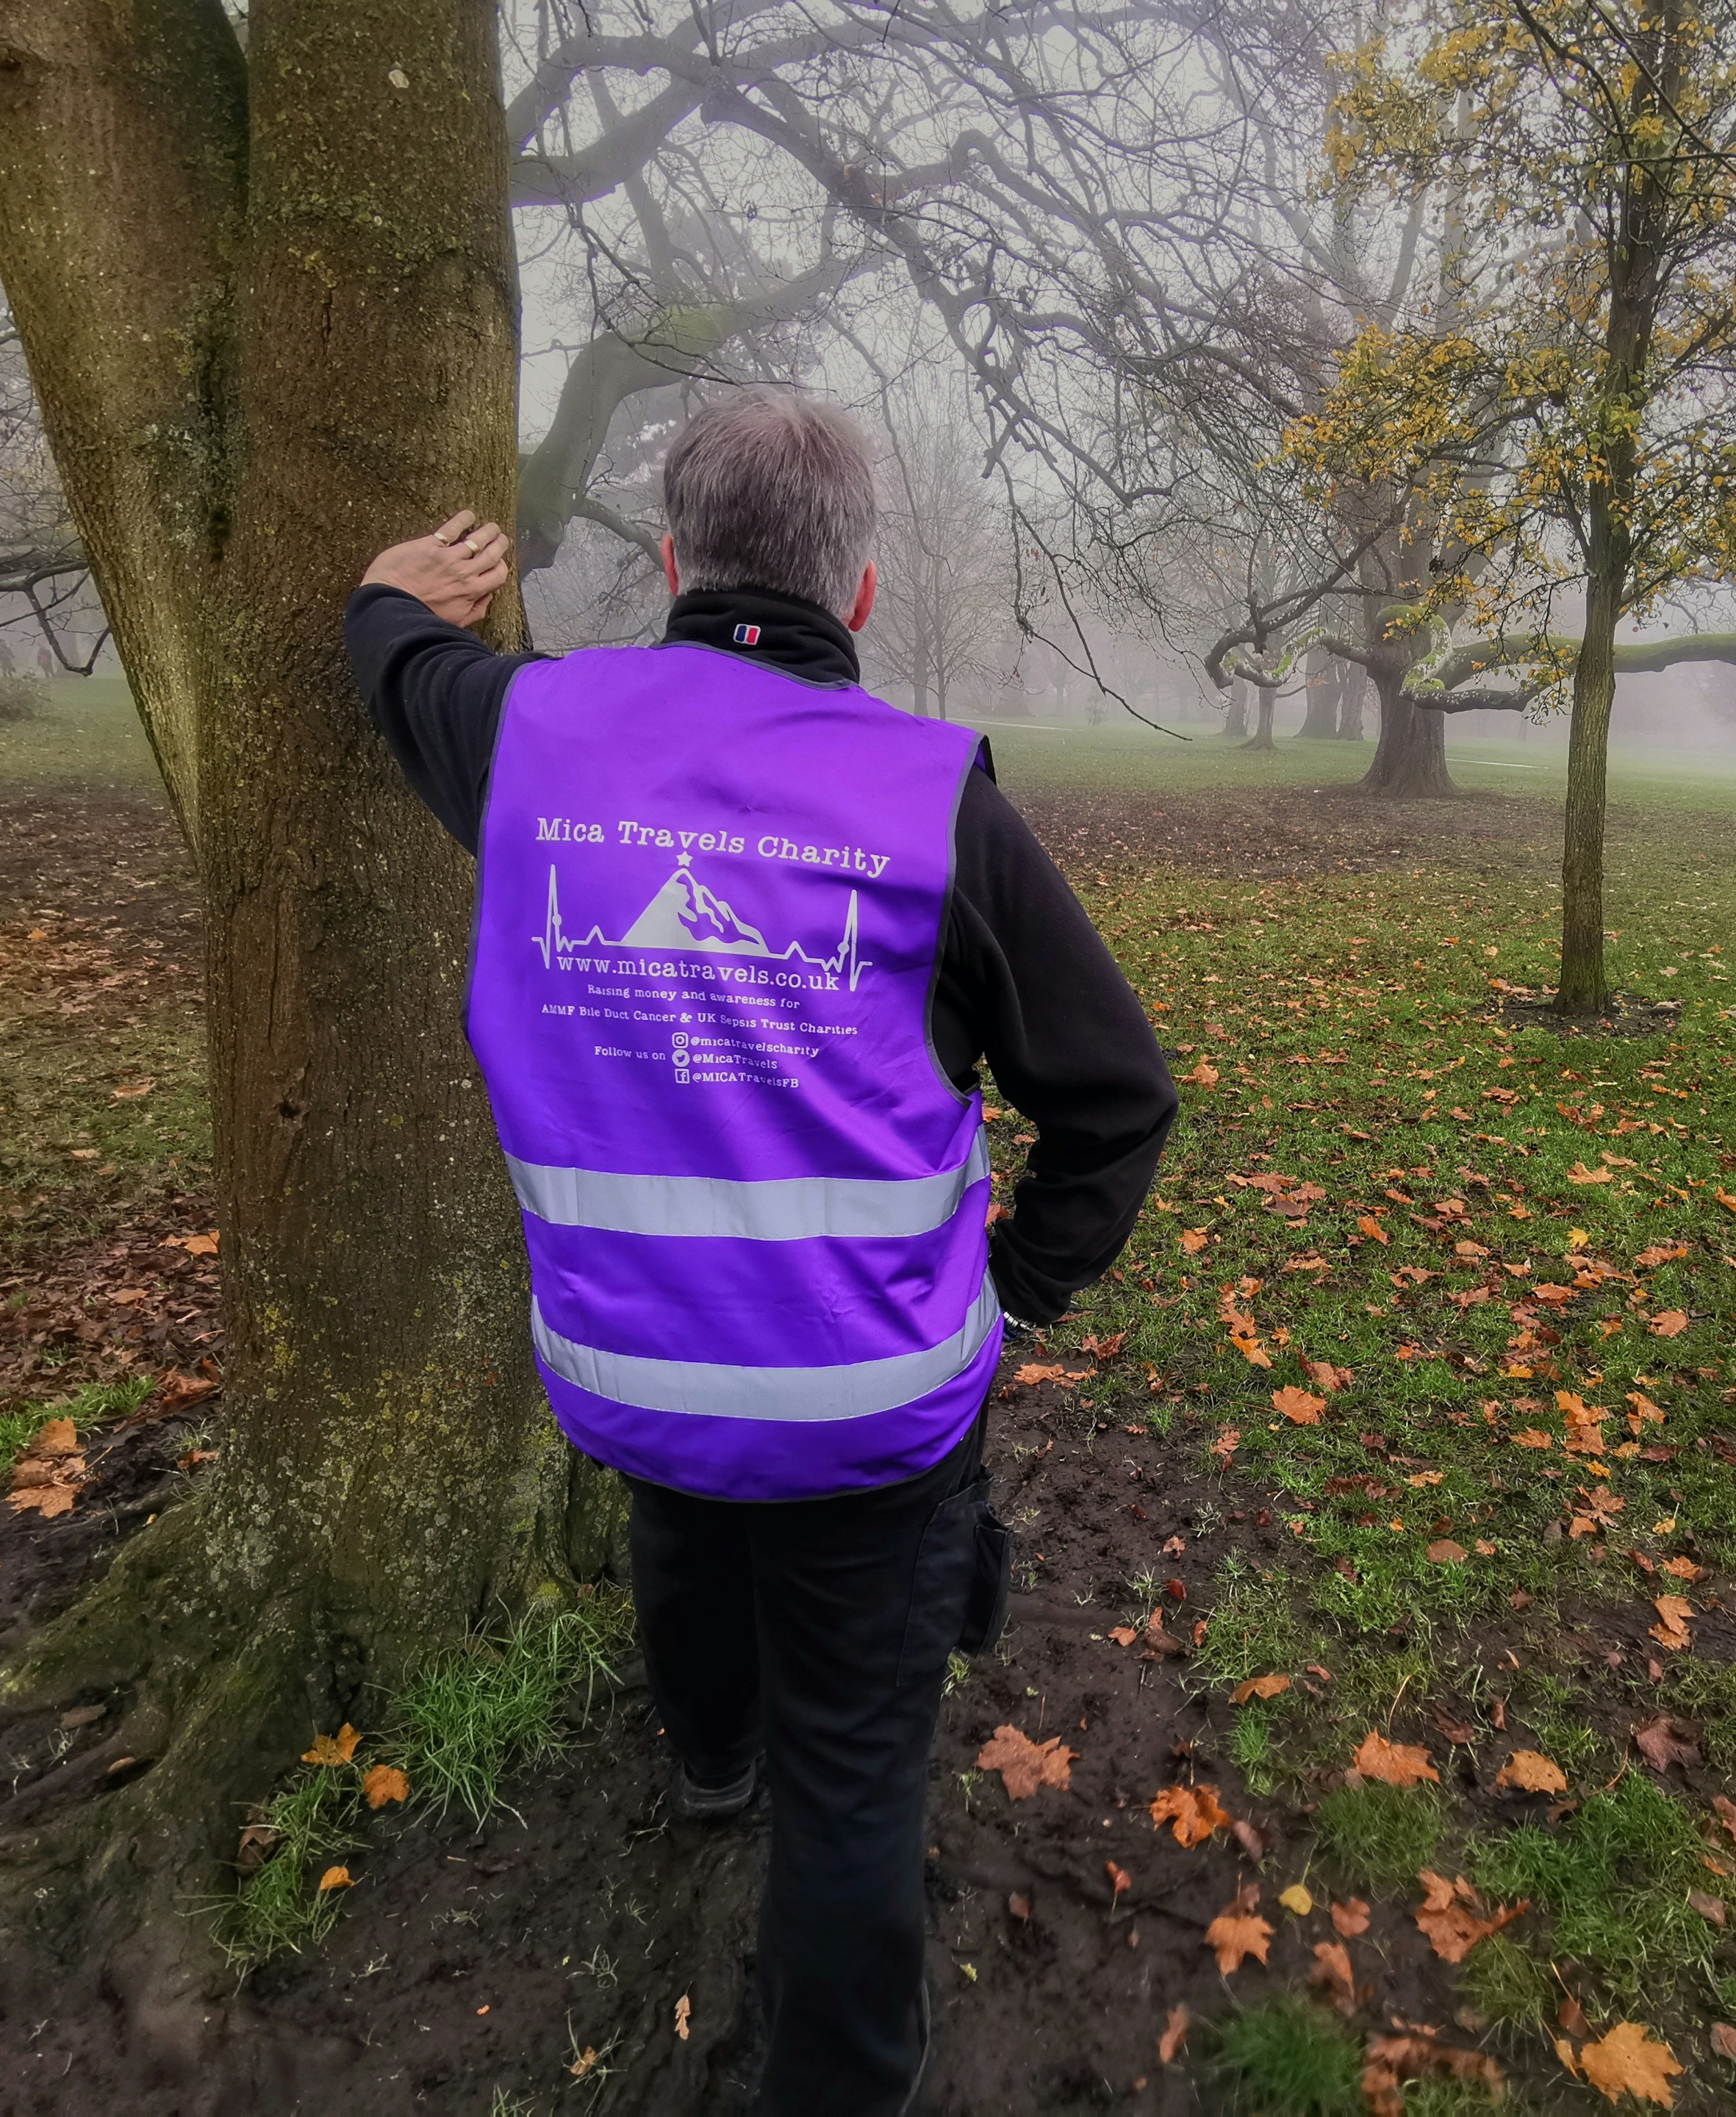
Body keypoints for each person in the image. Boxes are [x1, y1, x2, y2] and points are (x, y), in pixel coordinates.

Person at [342, 389, 1176, 2115]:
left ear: (668, 564)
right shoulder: (934, 800)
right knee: (857, 1783)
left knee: (684, 1541)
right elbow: (1116, 1100)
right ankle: (840, 2073)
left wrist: (385, 587)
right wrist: (1017, 1286)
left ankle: (711, 1760)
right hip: (872, 1410)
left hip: (634, 1372)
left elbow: (400, 671)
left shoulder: (527, 740)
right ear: (858, 594)